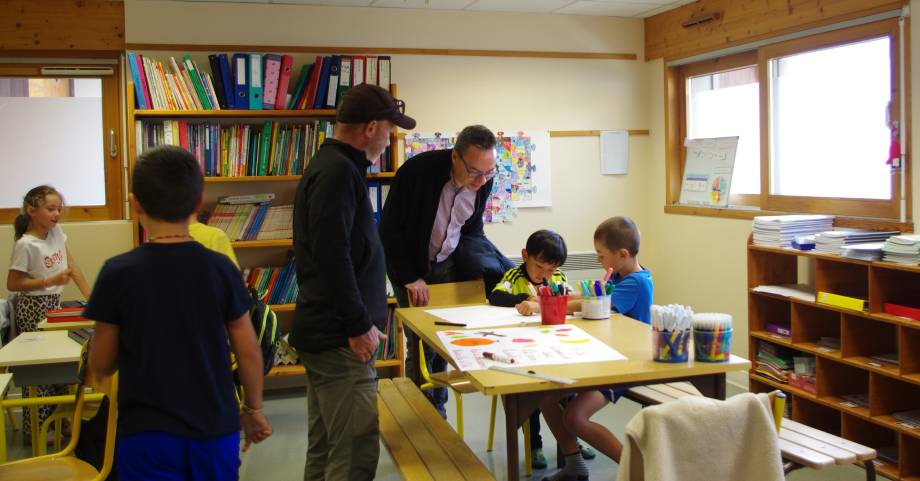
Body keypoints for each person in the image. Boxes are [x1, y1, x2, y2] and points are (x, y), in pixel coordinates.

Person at [86, 146, 272, 480]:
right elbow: (248, 351)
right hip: (215, 429)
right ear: (198, 203)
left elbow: (102, 362)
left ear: (135, 203)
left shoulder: (117, 273)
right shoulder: (220, 269)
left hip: (146, 434)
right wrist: (253, 409)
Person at [289, 83, 415, 481]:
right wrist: (359, 324)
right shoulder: (339, 172)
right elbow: (332, 256)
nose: (390, 138)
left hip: (329, 334)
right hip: (341, 339)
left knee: (328, 445)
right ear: (371, 127)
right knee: (355, 451)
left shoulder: (334, 165)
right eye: (389, 130)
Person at [380, 124, 503, 416]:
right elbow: (389, 229)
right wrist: (410, 277)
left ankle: (438, 411)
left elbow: (472, 230)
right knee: (421, 344)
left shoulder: (483, 181)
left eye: (488, 172)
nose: (481, 180)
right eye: (474, 171)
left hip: (446, 264)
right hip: (410, 268)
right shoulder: (417, 172)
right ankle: (421, 414)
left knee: (444, 340)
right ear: (455, 157)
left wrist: (483, 270)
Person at [540, 216, 653, 481]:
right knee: (545, 398)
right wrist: (561, 297)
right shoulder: (623, 275)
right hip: (602, 359)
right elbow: (589, 294)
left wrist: (545, 305)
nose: (600, 262)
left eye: (602, 256)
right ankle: (574, 465)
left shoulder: (636, 283)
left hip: (624, 366)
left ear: (622, 254)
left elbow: (592, 302)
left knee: (575, 418)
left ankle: (637, 470)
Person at [7, 185, 91, 440]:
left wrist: (92, 299)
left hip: (53, 304)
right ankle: (36, 430)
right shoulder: (25, 244)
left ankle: (60, 421)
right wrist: (47, 280)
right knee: (40, 370)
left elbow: (73, 267)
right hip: (33, 308)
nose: (56, 214)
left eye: (58, 209)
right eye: (50, 209)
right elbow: (13, 284)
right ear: (32, 211)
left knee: (61, 365)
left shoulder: (56, 232)